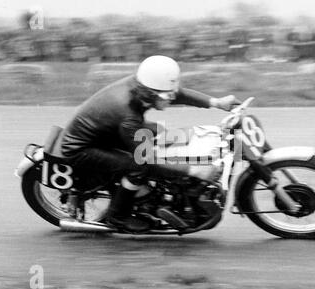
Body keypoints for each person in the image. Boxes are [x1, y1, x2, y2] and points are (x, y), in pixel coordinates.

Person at [60, 55, 239, 232]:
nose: (171, 98)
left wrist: (217, 102)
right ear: (151, 94)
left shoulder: (143, 87)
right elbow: (146, 159)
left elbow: (178, 94)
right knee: (138, 167)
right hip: (82, 148)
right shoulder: (128, 115)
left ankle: (151, 190)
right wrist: (193, 170)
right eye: (167, 96)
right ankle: (118, 217)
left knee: (158, 131)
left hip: (105, 132)